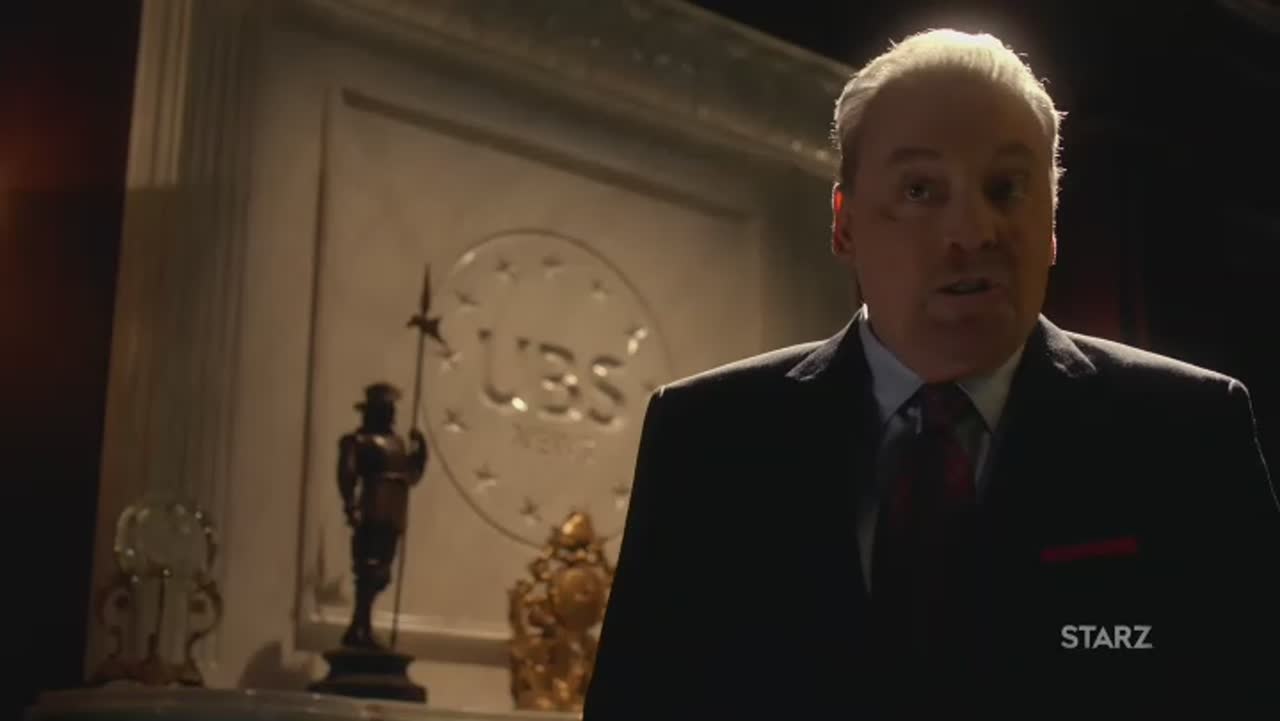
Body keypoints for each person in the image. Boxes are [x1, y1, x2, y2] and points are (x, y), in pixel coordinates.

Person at [582, 28, 1280, 720]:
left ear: (1052, 221)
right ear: (845, 224)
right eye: (920, 189)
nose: (973, 232)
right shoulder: (709, 436)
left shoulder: (1187, 432)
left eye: (1007, 188)